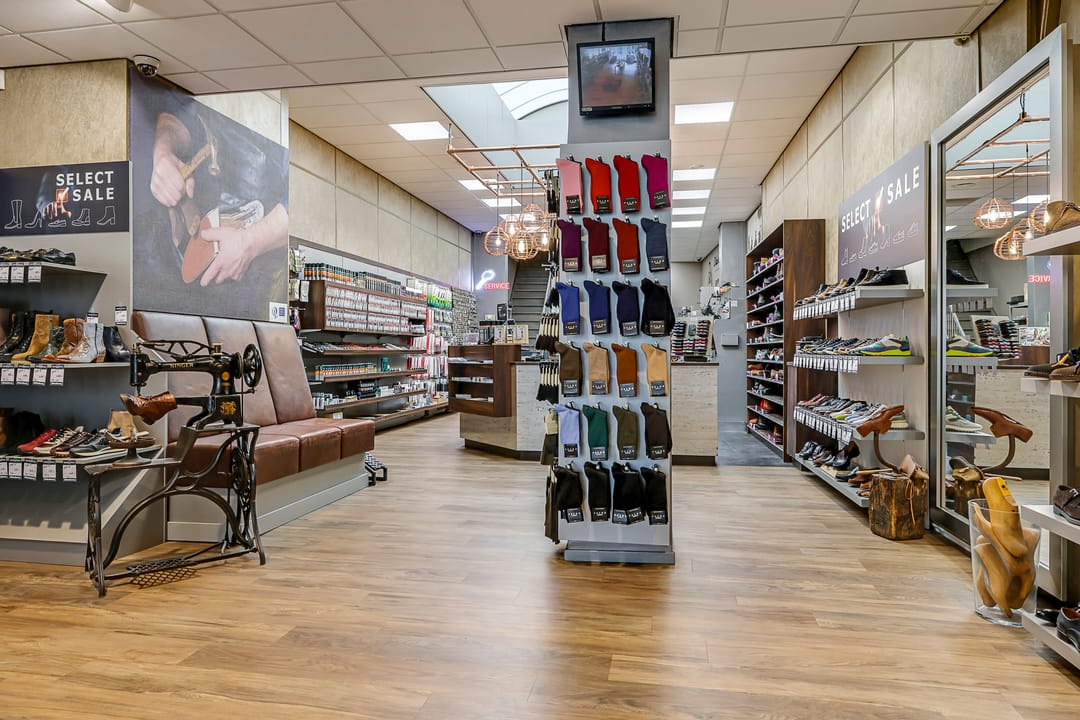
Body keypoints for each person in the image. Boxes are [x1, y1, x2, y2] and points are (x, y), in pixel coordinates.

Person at [149, 110, 288, 287]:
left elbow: (301, 204)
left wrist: (248, 243)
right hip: (198, 234)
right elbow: (181, 112)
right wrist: (163, 151)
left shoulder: (277, 116)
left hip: (261, 249)